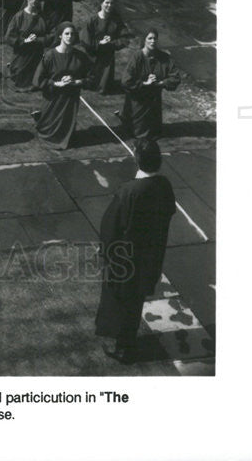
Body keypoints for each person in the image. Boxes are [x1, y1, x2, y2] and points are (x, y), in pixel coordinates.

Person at [95, 139, 176, 363]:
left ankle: (124, 348)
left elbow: (111, 226)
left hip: (125, 259)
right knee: (136, 301)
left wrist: (106, 252)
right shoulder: (164, 187)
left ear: (137, 160)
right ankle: (126, 343)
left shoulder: (129, 191)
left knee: (120, 302)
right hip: (150, 257)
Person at [32, 22, 91, 148]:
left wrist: (78, 81)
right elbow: (37, 80)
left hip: (71, 98)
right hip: (53, 96)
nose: (70, 36)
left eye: (72, 34)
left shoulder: (81, 56)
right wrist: (56, 84)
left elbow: (92, 76)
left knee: (67, 122)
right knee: (49, 124)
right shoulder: (49, 56)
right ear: (60, 36)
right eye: (67, 33)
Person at [119, 29, 180, 139]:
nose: (153, 41)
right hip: (138, 100)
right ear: (144, 40)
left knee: (154, 133)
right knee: (136, 133)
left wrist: (161, 82)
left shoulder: (164, 57)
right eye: (149, 38)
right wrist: (144, 83)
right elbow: (126, 80)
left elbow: (175, 77)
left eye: (155, 38)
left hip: (154, 102)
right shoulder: (137, 57)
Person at [4, 0, 49, 89]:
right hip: (22, 52)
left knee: (39, 80)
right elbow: (9, 36)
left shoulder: (44, 17)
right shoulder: (19, 16)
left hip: (37, 52)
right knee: (19, 80)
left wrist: (38, 40)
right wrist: (25, 41)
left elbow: (51, 34)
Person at [83, 0, 128, 94]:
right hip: (94, 55)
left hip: (108, 56)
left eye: (112, 3)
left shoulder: (116, 21)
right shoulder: (92, 20)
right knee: (90, 83)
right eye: (107, 2)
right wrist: (99, 43)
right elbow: (85, 39)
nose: (109, 5)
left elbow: (124, 39)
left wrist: (111, 43)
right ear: (101, 3)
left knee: (104, 87)